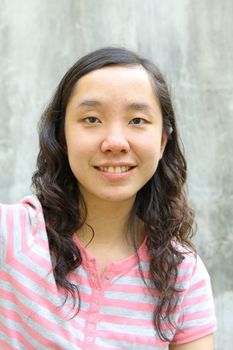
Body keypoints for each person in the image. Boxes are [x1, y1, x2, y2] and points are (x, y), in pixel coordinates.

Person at [0, 47, 216, 350]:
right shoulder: (10, 234)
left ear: (162, 142)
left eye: (137, 120)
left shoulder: (183, 275)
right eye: (91, 119)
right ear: (62, 136)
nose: (115, 142)